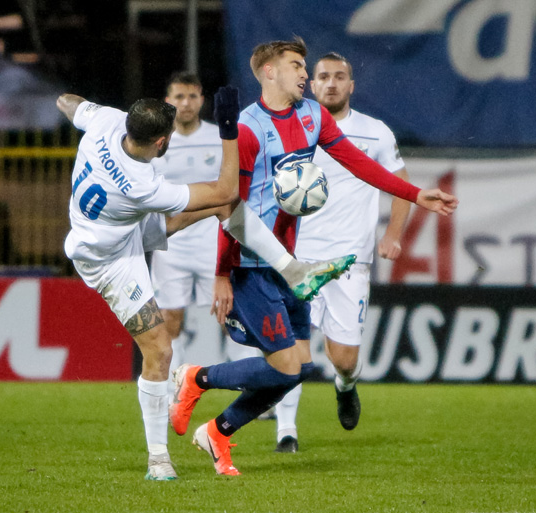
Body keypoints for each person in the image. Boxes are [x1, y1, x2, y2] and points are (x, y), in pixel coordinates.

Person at [169, 37, 458, 475]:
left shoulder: (312, 116)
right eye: (296, 66)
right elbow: (231, 206)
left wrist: (416, 194)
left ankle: (216, 432)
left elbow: (359, 163)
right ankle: (196, 378)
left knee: (301, 367)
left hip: (291, 262)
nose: (305, 73)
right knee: (286, 368)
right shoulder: (248, 128)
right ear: (269, 72)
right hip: (251, 265)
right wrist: (222, 273)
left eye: (305, 66)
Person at [58, 86, 353, 481]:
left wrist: (79, 107)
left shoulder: (105, 123)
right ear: (162, 142)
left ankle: (293, 270)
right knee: (160, 349)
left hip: (119, 225)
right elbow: (226, 188)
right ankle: (158, 459)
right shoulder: (142, 184)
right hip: (109, 259)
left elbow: (68, 102)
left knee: (223, 207)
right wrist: (229, 130)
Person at [272, 52, 414, 453]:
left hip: (351, 260)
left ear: (351, 85)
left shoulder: (375, 133)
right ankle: (286, 432)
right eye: (323, 76)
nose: (331, 83)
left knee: (345, 358)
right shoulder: (291, 128)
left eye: (339, 77)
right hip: (297, 258)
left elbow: (402, 185)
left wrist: (393, 235)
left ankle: (345, 385)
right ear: (312, 84)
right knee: (293, 350)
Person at [148, 72, 225, 400]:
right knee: (170, 318)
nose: (186, 103)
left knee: (230, 317)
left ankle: (251, 389)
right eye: (179, 97)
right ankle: (171, 391)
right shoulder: (157, 141)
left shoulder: (219, 138)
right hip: (171, 245)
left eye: (192, 96)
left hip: (212, 242)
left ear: (202, 100)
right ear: (168, 101)